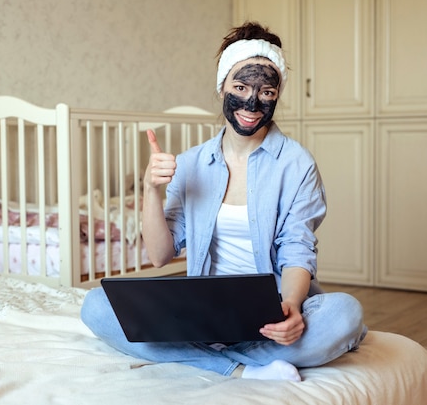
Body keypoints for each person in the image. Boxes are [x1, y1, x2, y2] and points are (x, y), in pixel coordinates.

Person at [81, 22, 367, 381]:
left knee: (345, 314)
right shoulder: (191, 164)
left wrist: (291, 308)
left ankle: (202, 356)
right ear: (222, 89)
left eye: (266, 91)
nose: (252, 102)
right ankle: (242, 368)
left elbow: (298, 248)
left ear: (277, 94)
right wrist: (150, 190)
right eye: (241, 87)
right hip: (203, 311)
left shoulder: (297, 164)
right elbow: (159, 256)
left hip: (272, 310)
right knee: (95, 306)